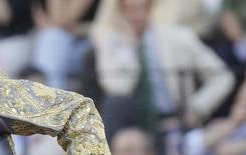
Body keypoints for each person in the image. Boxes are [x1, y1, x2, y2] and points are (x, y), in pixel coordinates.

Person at [92, 0, 235, 143]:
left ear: (151, 8)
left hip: (175, 118)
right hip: (132, 122)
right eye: (130, 10)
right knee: (116, 104)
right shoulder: (110, 42)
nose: (137, 16)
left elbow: (222, 76)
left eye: (141, 8)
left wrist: (197, 107)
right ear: (121, 12)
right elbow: (118, 89)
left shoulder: (178, 37)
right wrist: (127, 48)